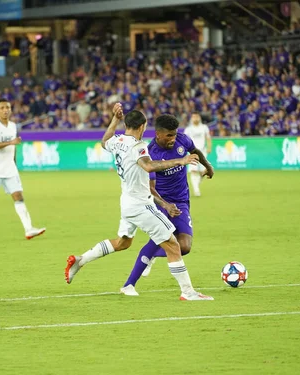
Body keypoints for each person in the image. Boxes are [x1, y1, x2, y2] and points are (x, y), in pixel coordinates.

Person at [65, 104, 213, 301]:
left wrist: (114, 120)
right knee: (172, 244)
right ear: (143, 126)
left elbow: (103, 141)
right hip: (141, 204)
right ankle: (188, 292)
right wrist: (180, 161)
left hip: (126, 201)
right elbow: (149, 166)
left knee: (123, 243)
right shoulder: (139, 146)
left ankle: (81, 260)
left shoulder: (117, 141)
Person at [123, 114, 214, 289]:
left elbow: (196, 151)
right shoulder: (150, 153)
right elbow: (149, 188)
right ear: (158, 134)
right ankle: (129, 285)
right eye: (169, 136)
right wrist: (165, 205)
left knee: (185, 247)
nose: (173, 139)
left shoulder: (182, 139)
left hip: (181, 201)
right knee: (161, 239)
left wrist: (208, 166)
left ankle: (153, 256)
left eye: (174, 134)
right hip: (160, 202)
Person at [0, 99, 45, 241]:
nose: (5, 110)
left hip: (10, 168)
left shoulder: (13, 125)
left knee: (18, 196)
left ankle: (29, 229)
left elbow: (13, 148)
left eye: (7, 107)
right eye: (2, 107)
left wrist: (14, 163)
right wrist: (10, 142)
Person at [185, 112, 212, 196]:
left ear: (199, 117)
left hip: (203, 152)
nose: (195, 118)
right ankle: (196, 190)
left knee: (203, 171)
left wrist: (209, 147)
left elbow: (208, 138)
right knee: (193, 170)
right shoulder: (188, 129)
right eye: (193, 117)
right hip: (192, 152)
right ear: (191, 118)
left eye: (196, 116)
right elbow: (185, 141)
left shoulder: (204, 127)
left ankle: (196, 185)